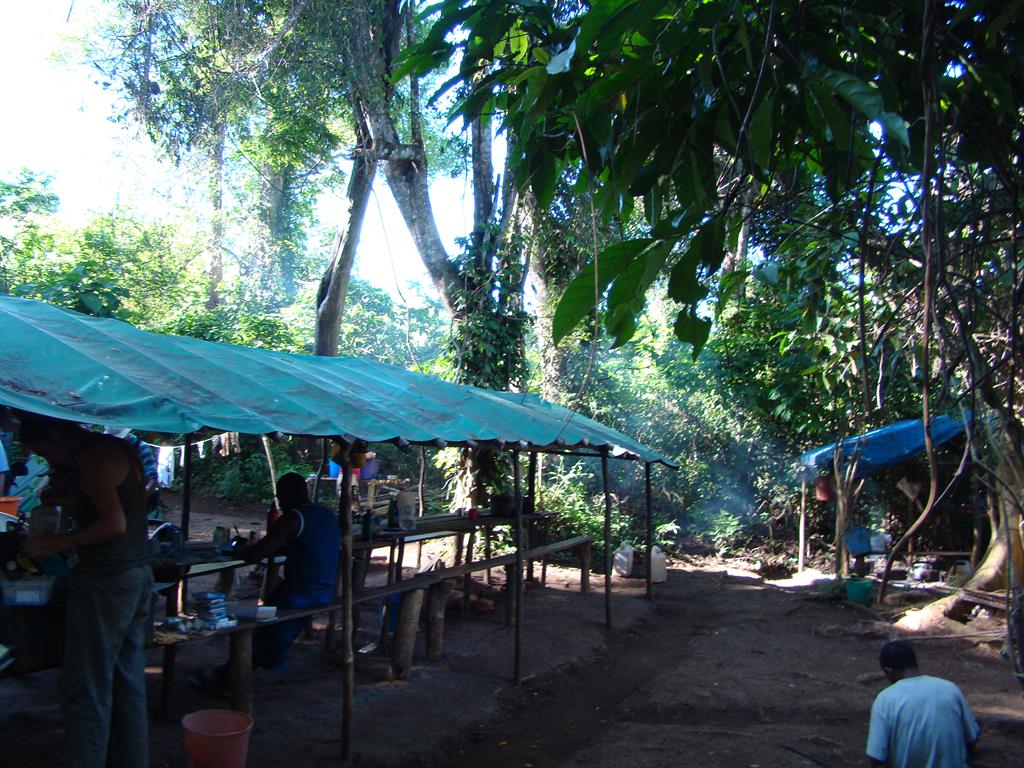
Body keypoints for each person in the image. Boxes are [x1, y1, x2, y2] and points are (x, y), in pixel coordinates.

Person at [19, 415, 152, 768]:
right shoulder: (117, 449)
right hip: (136, 573)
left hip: (107, 579)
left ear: (58, 432)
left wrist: (59, 542)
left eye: (45, 452)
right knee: (126, 681)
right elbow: (118, 502)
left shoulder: (93, 457)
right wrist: (67, 497)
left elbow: (114, 524)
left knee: (87, 685)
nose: (49, 460)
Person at [193, 471, 340, 693]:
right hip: (325, 591)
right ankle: (226, 673)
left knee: (260, 625)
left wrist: (238, 550)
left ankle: (228, 680)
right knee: (269, 614)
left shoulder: (292, 518)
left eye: (280, 496)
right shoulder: (326, 514)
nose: (279, 502)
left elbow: (256, 555)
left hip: (301, 594)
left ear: (290, 494)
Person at [866, 640, 980, 768]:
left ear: (889, 671)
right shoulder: (950, 688)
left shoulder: (885, 699)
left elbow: (876, 758)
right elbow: (971, 739)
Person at [106, 428, 162, 521]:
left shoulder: (141, 447)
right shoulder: (109, 447)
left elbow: (152, 479)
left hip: (135, 503)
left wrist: (137, 499)